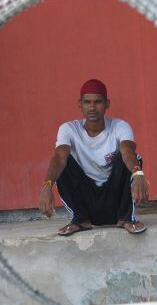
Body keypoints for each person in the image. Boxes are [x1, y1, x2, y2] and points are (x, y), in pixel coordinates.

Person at [38, 79, 150, 235]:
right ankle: (80, 220)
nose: (92, 107)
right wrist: (46, 185)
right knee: (65, 162)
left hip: (115, 201)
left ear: (107, 104)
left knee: (131, 158)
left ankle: (127, 219)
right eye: (87, 102)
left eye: (98, 102)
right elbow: (59, 157)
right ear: (80, 104)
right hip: (87, 201)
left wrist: (138, 174)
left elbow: (127, 151)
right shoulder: (68, 129)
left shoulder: (120, 126)